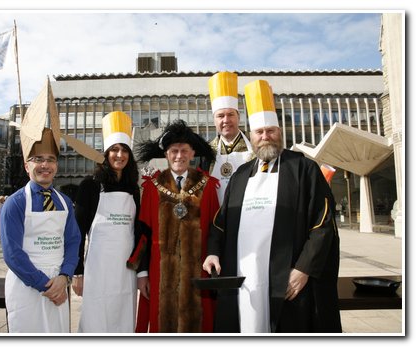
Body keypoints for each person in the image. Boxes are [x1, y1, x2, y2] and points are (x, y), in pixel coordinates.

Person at [203, 79, 341, 333]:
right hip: (244, 278)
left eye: (271, 131)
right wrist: (212, 251)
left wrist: (303, 269)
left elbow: (323, 224)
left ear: (280, 132)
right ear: (252, 137)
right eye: (259, 132)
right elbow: (220, 221)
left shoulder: (304, 169)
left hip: (287, 278)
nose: (265, 137)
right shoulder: (241, 175)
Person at [135, 119, 220, 333]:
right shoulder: (152, 187)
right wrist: (143, 272)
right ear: (166, 154)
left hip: (199, 271)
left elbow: (215, 229)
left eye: (184, 151)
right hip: (161, 273)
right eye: (174, 151)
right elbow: (144, 234)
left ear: (192, 154)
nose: (179, 156)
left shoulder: (208, 186)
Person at [0, 127, 81, 333]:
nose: (45, 165)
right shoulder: (15, 203)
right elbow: (12, 254)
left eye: (51, 159)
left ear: (56, 165)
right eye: (38, 159)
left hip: (59, 283)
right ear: (27, 166)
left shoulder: (65, 202)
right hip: (26, 286)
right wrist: (45, 285)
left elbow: (73, 241)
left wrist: (64, 277)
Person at [72, 111, 144, 333]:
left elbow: (138, 230)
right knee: (97, 319)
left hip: (126, 271)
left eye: (124, 150)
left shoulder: (133, 187)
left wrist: (141, 271)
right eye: (114, 149)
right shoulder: (90, 186)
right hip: (98, 271)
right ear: (106, 153)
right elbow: (77, 232)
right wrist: (77, 272)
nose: (119, 155)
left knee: (124, 318)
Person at [202, 71, 254, 205]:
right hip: (215, 220)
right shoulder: (206, 153)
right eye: (220, 116)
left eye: (230, 114)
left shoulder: (256, 149)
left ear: (239, 117)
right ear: (214, 120)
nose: (226, 120)